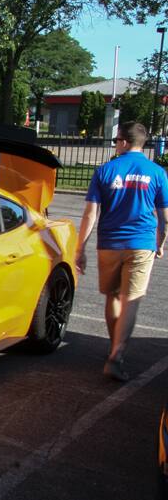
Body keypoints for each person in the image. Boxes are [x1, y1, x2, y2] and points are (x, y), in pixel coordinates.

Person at [75, 121, 168, 382]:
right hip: (141, 244)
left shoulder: (105, 170)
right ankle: (117, 355)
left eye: (116, 140)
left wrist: (80, 248)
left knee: (113, 297)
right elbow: (164, 216)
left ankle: (113, 348)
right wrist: (160, 242)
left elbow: (90, 214)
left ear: (125, 142)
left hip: (109, 244)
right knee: (132, 300)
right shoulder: (157, 173)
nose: (115, 144)